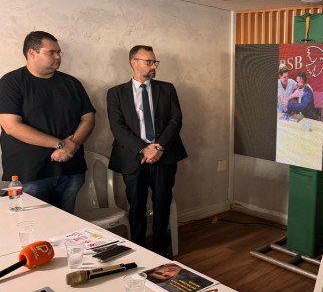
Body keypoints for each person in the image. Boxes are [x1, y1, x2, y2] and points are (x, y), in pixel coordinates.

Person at [0, 31, 95, 213]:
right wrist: (60, 144)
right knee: (32, 227)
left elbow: (88, 118)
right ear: (32, 53)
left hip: (70, 169)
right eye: (51, 52)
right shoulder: (11, 82)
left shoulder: (72, 83)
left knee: (67, 227)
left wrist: (72, 145)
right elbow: (11, 126)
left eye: (59, 52)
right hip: (30, 173)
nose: (58, 57)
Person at [107, 45, 187, 257]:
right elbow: (118, 127)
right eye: (149, 62)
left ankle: (161, 250)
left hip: (165, 155)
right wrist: (144, 149)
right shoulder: (116, 93)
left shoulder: (167, 88)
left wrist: (157, 147)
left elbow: (175, 120)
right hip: (133, 157)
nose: (154, 66)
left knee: (162, 203)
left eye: (155, 62)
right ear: (134, 62)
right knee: (137, 206)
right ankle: (140, 250)